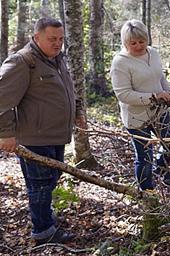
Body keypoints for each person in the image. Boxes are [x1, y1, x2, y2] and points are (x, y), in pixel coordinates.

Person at [0, 17, 83, 245]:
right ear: (36, 37)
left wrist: (78, 111)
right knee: (40, 186)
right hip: (34, 138)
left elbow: (68, 88)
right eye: (52, 39)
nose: (58, 43)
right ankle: (43, 231)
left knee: (50, 181)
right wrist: (5, 134)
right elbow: (2, 100)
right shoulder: (23, 62)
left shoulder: (56, 59)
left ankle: (43, 215)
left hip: (56, 136)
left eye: (61, 39)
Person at [110, 19, 170, 190]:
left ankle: (161, 168)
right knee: (144, 156)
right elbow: (123, 94)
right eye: (133, 43)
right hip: (136, 117)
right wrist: (154, 96)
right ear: (125, 43)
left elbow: (160, 77)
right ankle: (147, 193)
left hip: (159, 111)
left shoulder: (153, 53)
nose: (139, 46)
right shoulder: (120, 62)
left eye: (142, 41)